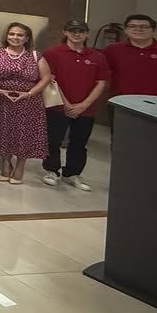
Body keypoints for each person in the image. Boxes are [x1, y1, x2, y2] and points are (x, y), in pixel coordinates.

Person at [0, 23, 51, 184]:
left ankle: (20, 166)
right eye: (12, 34)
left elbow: (46, 77)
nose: (15, 37)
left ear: (26, 38)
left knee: (24, 134)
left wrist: (30, 93)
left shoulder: (35, 55)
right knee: (3, 132)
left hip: (28, 102)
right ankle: (5, 163)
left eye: (19, 35)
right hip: (0, 99)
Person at [41, 18, 110, 192]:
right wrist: (66, 103)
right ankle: (51, 170)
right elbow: (51, 80)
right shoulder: (53, 53)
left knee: (79, 143)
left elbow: (101, 82)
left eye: (80, 31)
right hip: (58, 105)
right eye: (72, 31)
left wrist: (84, 105)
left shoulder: (97, 56)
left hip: (86, 109)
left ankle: (72, 173)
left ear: (87, 34)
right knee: (53, 139)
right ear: (65, 32)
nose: (76, 34)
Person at [104, 14, 157, 97]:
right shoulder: (112, 49)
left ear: (153, 30)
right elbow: (102, 76)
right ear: (125, 30)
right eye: (132, 26)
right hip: (120, 100)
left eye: (144, 27)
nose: (138, 29)